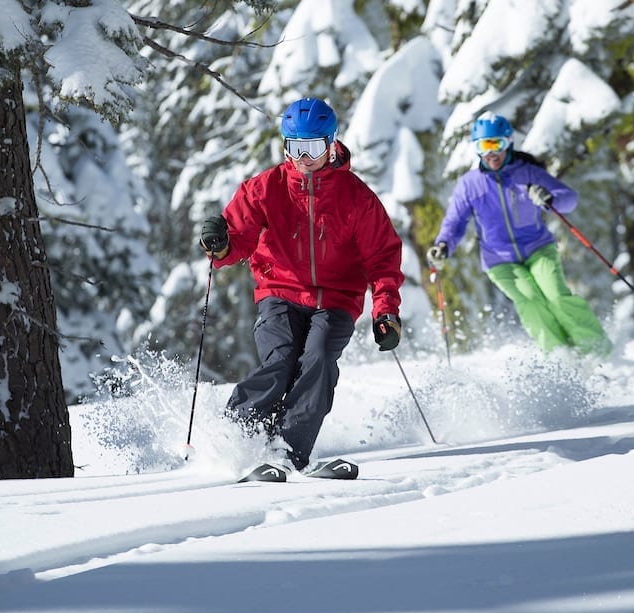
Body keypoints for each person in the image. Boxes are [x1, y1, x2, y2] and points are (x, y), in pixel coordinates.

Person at [198, 97, 405, 471]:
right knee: (281, 360)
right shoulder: (265, 188)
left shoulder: (357, 198)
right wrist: (221, 243)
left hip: (337, 299)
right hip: (279, 292)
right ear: (285, 146)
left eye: (312, 147)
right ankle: (235, 438)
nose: (303, 158)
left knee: (319, 359)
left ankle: (287, 452)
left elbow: (382, 259)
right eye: (295, 147)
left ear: (331, 144)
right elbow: (237, 240)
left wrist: (385, 311)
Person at [428, 112, 610, 356]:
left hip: (538, 249)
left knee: (556, 296)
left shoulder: (527, 173)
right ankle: (560, 355)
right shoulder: (470, 184)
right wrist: (443, 245)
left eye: (497, 144)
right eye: (484, 146)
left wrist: (549, 198)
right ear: (477, 149)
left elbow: (570, 199)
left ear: (509, 143)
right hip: (499, 260)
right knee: (530, 301)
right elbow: (455, 222)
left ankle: (596, 349)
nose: (492, 153)